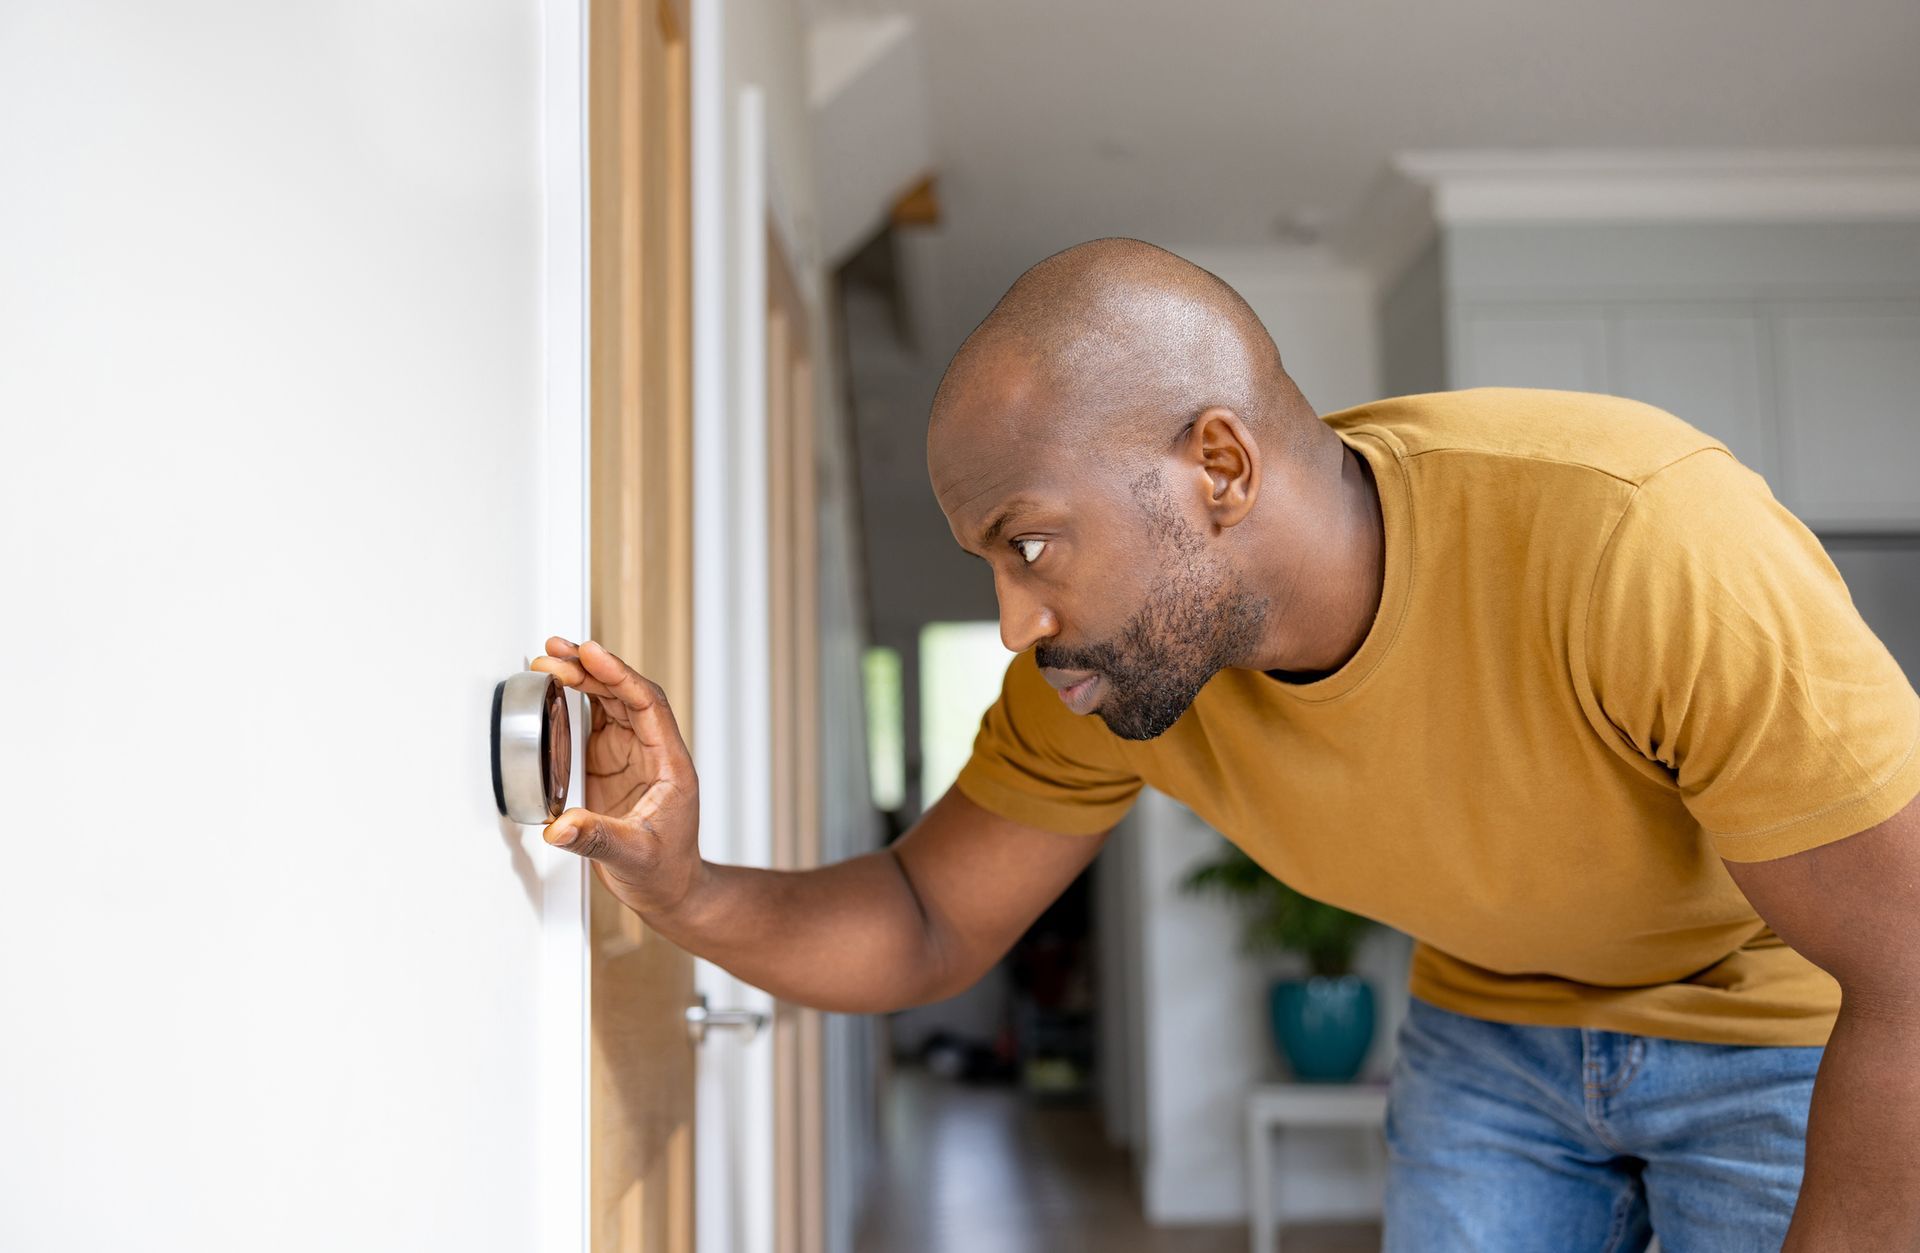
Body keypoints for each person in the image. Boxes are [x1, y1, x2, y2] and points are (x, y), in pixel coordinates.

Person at [530, 238, 1920, 1252]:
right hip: (1494, 1031)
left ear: (1221, 468)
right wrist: (683, 882)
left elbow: (1910, 969)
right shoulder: (1105, 675)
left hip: (1782, 1025)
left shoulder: (1638, 537)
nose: (1017, 622)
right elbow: (922, 920)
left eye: (1029, 542)